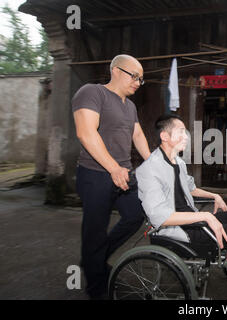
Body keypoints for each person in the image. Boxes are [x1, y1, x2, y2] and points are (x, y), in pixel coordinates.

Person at [136, 114, 227, 299]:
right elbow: (159, 217)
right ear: (164, 136)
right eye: (181, 132)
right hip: (180, 231)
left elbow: (191, 188)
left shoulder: (177, 161)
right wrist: (205, 216)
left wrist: (214, 195)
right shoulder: (149, 169)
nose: (186, 136)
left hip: (194, 220)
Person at [72, 54, 151, 299]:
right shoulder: (92, 93)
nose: (138, 82)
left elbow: (137, 135)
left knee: (135, 215)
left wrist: (154, 162)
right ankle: (96, 290)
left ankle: (94, 259)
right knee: (94, 231)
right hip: (95, 175)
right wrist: (112, 167)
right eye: (135, 76)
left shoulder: (130, 106)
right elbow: (86, 133)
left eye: (141, 79)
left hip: (124, 173)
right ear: (116, 70)